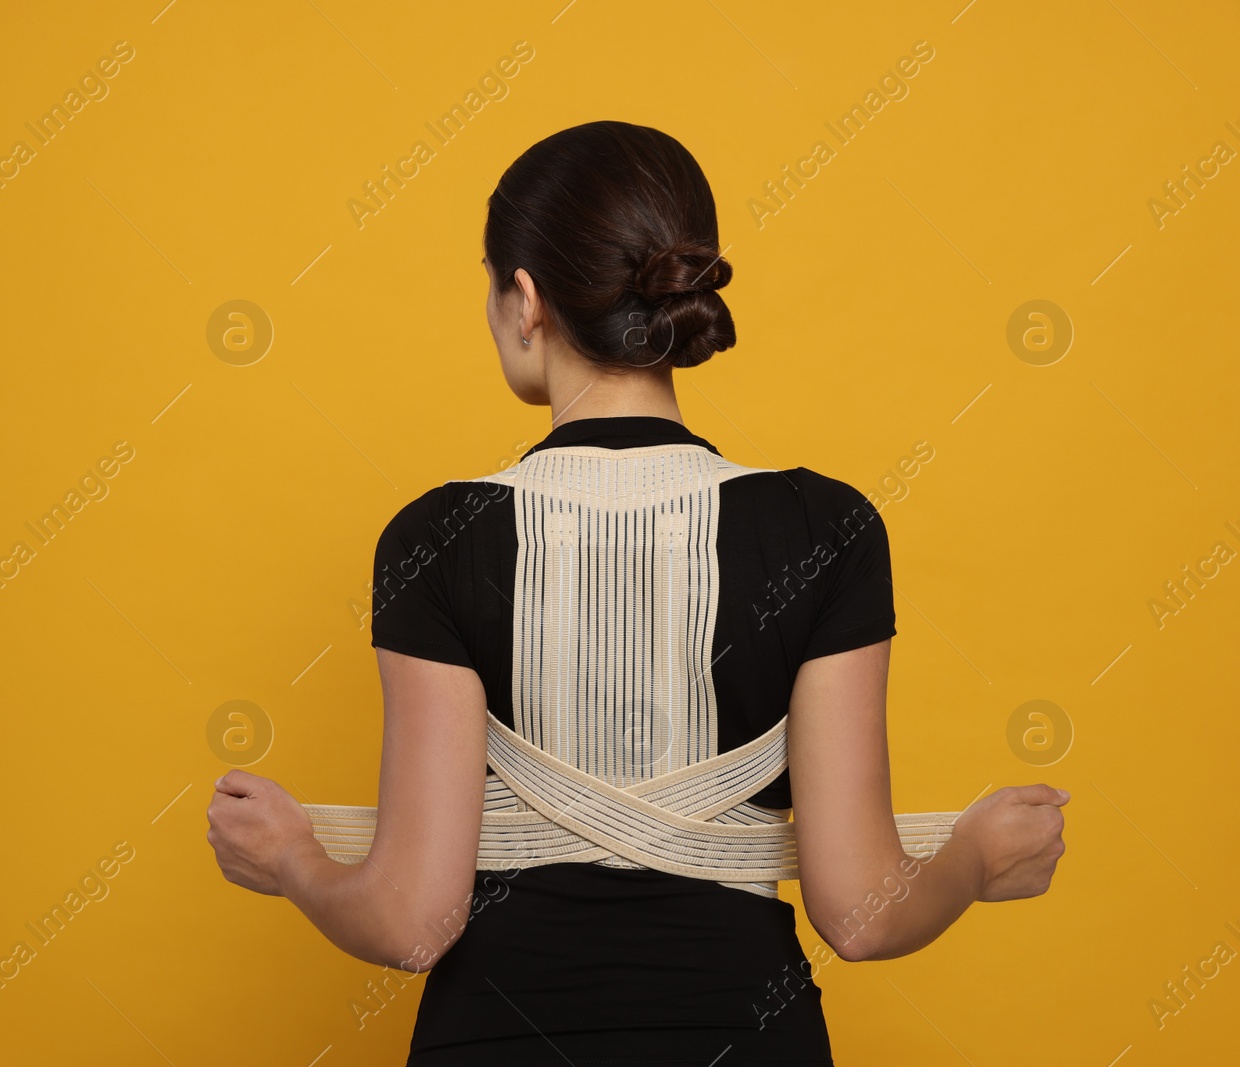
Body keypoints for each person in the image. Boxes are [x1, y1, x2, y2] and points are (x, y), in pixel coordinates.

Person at [206, 120, 1069, 1066]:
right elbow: (861, 913)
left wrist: (289, 857)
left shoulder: (436, 539)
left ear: (524, 299)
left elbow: (410, 921)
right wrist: (976, 858)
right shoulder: (828, 529)